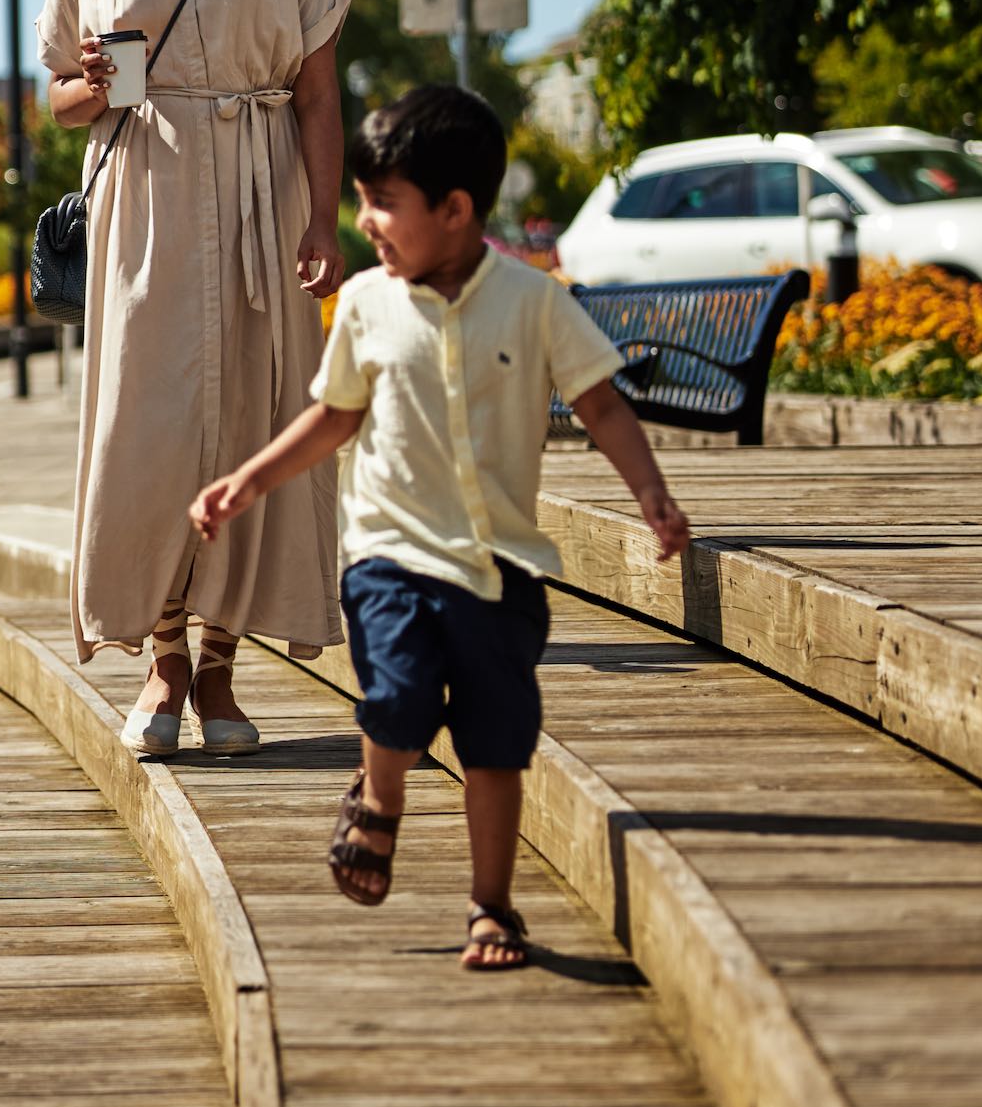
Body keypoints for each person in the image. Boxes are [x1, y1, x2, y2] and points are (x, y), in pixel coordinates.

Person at [191, 82, 691, 967]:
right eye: (361, 201)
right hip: (389, 554)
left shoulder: (534, 304)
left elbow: (602, 404)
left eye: (384, 203)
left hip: (502, 570)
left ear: (456, 211)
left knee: (497, 748)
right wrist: (246, 480)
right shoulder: (367, 306)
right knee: (398, 697)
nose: (366, 221)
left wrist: (650, 492)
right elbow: (335, 418)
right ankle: (380, 800)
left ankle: (491, 906)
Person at [38, 0, 351, 756]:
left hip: (261, 182)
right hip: (147, 195)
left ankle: (217, 670)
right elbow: (64, 104)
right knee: (147, 430)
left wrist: (322, 217)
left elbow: (315, 94)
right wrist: (97, 75)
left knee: (253, 421)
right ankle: (158, 659)